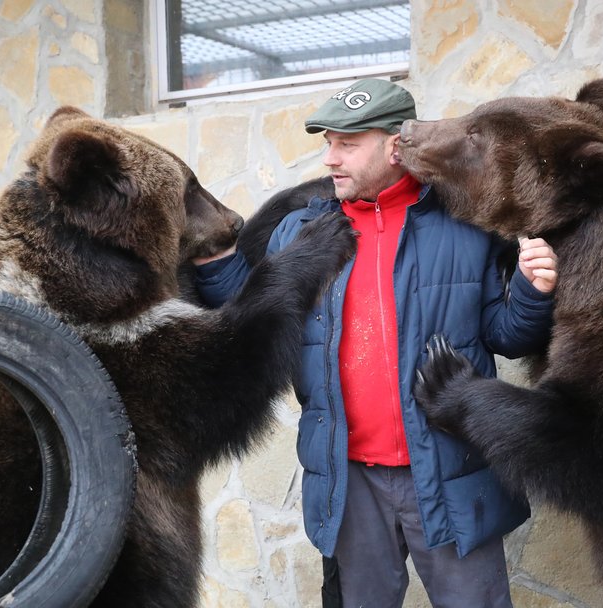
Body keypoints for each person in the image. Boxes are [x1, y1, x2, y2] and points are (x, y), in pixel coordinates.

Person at [192, 78, 557, 608]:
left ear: (395, 145)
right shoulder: (300, 233)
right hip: (349, 479)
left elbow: (505, 334)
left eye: (347, 143)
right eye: (328, 143)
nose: (330, 158)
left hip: (448, 470)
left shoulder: (464, 226)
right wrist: (209, 259)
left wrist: (533, 290)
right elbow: (256, 317)